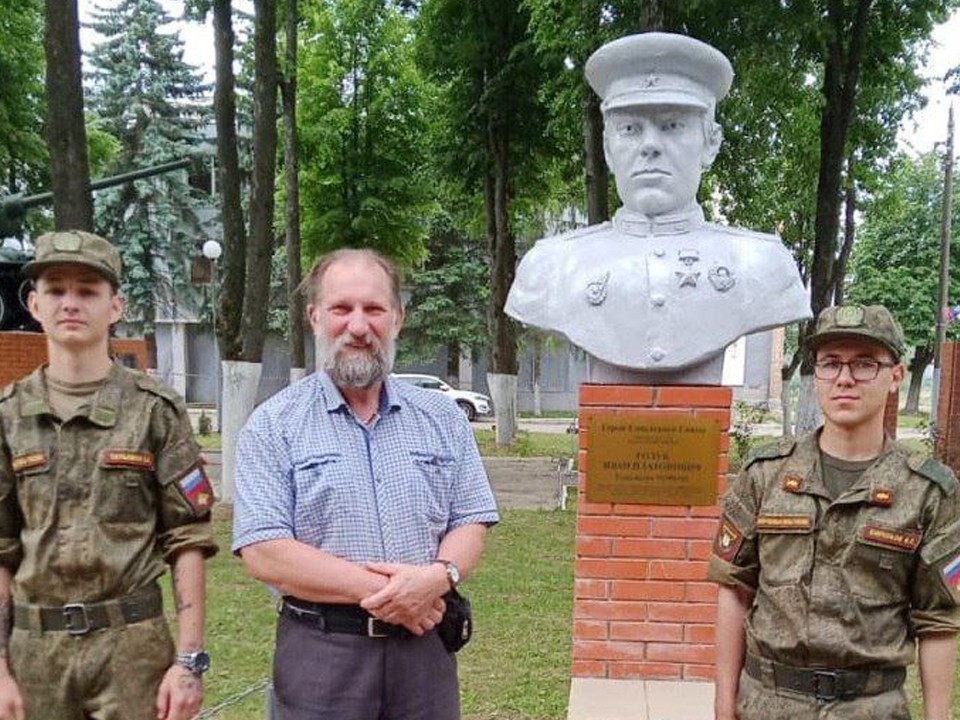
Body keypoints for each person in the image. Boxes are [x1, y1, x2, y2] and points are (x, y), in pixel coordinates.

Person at [232, 247, 500, 720]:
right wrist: (400, 596)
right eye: (341, 309)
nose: (358, 326)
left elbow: (471, 518)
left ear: (397, 318)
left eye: (374, 309)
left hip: (423, 655)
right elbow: (264, 549)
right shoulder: (273, 425)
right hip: (321, 655)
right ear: (315, 318)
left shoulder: (441, 418)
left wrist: (439, 578)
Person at [505, 33, 811, 384]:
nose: (650, 145)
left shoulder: (763, 264)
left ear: (711, 143)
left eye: (672, 125)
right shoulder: (550, 267)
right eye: (630, 128)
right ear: (607, 147)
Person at [0, 230, 218, 720]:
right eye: (56, 290)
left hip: (132, 649)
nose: (70, 303)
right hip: (36, 654)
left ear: (115, 305)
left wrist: (188, 662)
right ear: (34, 304)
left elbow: (188, 538)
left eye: (87, 290)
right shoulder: (8, 416)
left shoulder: (154, 410)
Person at [709, 304, 960, 720]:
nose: (844, 378)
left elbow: (938, 619)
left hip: (870, 708)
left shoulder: (927, 491)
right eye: (830, 363)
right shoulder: (766, 475)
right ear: (817, 375)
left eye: (865, 364)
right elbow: (734, 590)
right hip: (767, 704)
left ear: (895, 376)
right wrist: (723, 704)